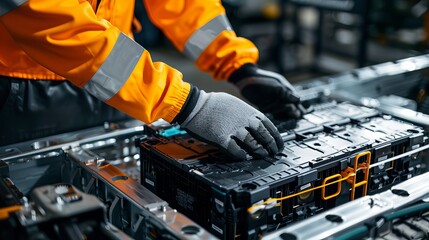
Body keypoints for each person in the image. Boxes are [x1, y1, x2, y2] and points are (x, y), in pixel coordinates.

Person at [0, 0, 302, 161]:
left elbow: (182, 4)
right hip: (23, 90)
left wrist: (238, 66)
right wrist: (189, 105)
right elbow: (53, 19)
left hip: (121, 82)